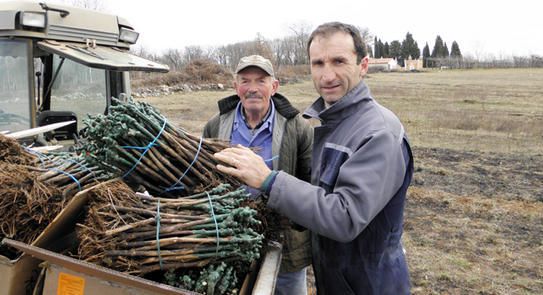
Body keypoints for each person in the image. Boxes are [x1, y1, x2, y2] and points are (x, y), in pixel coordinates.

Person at [214, 22, 414, 294]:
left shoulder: (378, 133)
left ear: (363, 65)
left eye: (339, 61)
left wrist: (269, 181)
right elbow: (319, 192)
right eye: (318, 63)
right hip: (337, 278)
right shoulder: (334, 124)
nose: (327, 75)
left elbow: (344, 217)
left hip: (369, 284)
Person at [202, 55, 313, 295]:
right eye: (245, 81)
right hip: (231, 240)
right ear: (235, 87)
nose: (252, 88)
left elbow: (310, 185)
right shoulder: (215, 125)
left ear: (274, 87)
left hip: (285, 246)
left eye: (261, 81)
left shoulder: (298, 128)